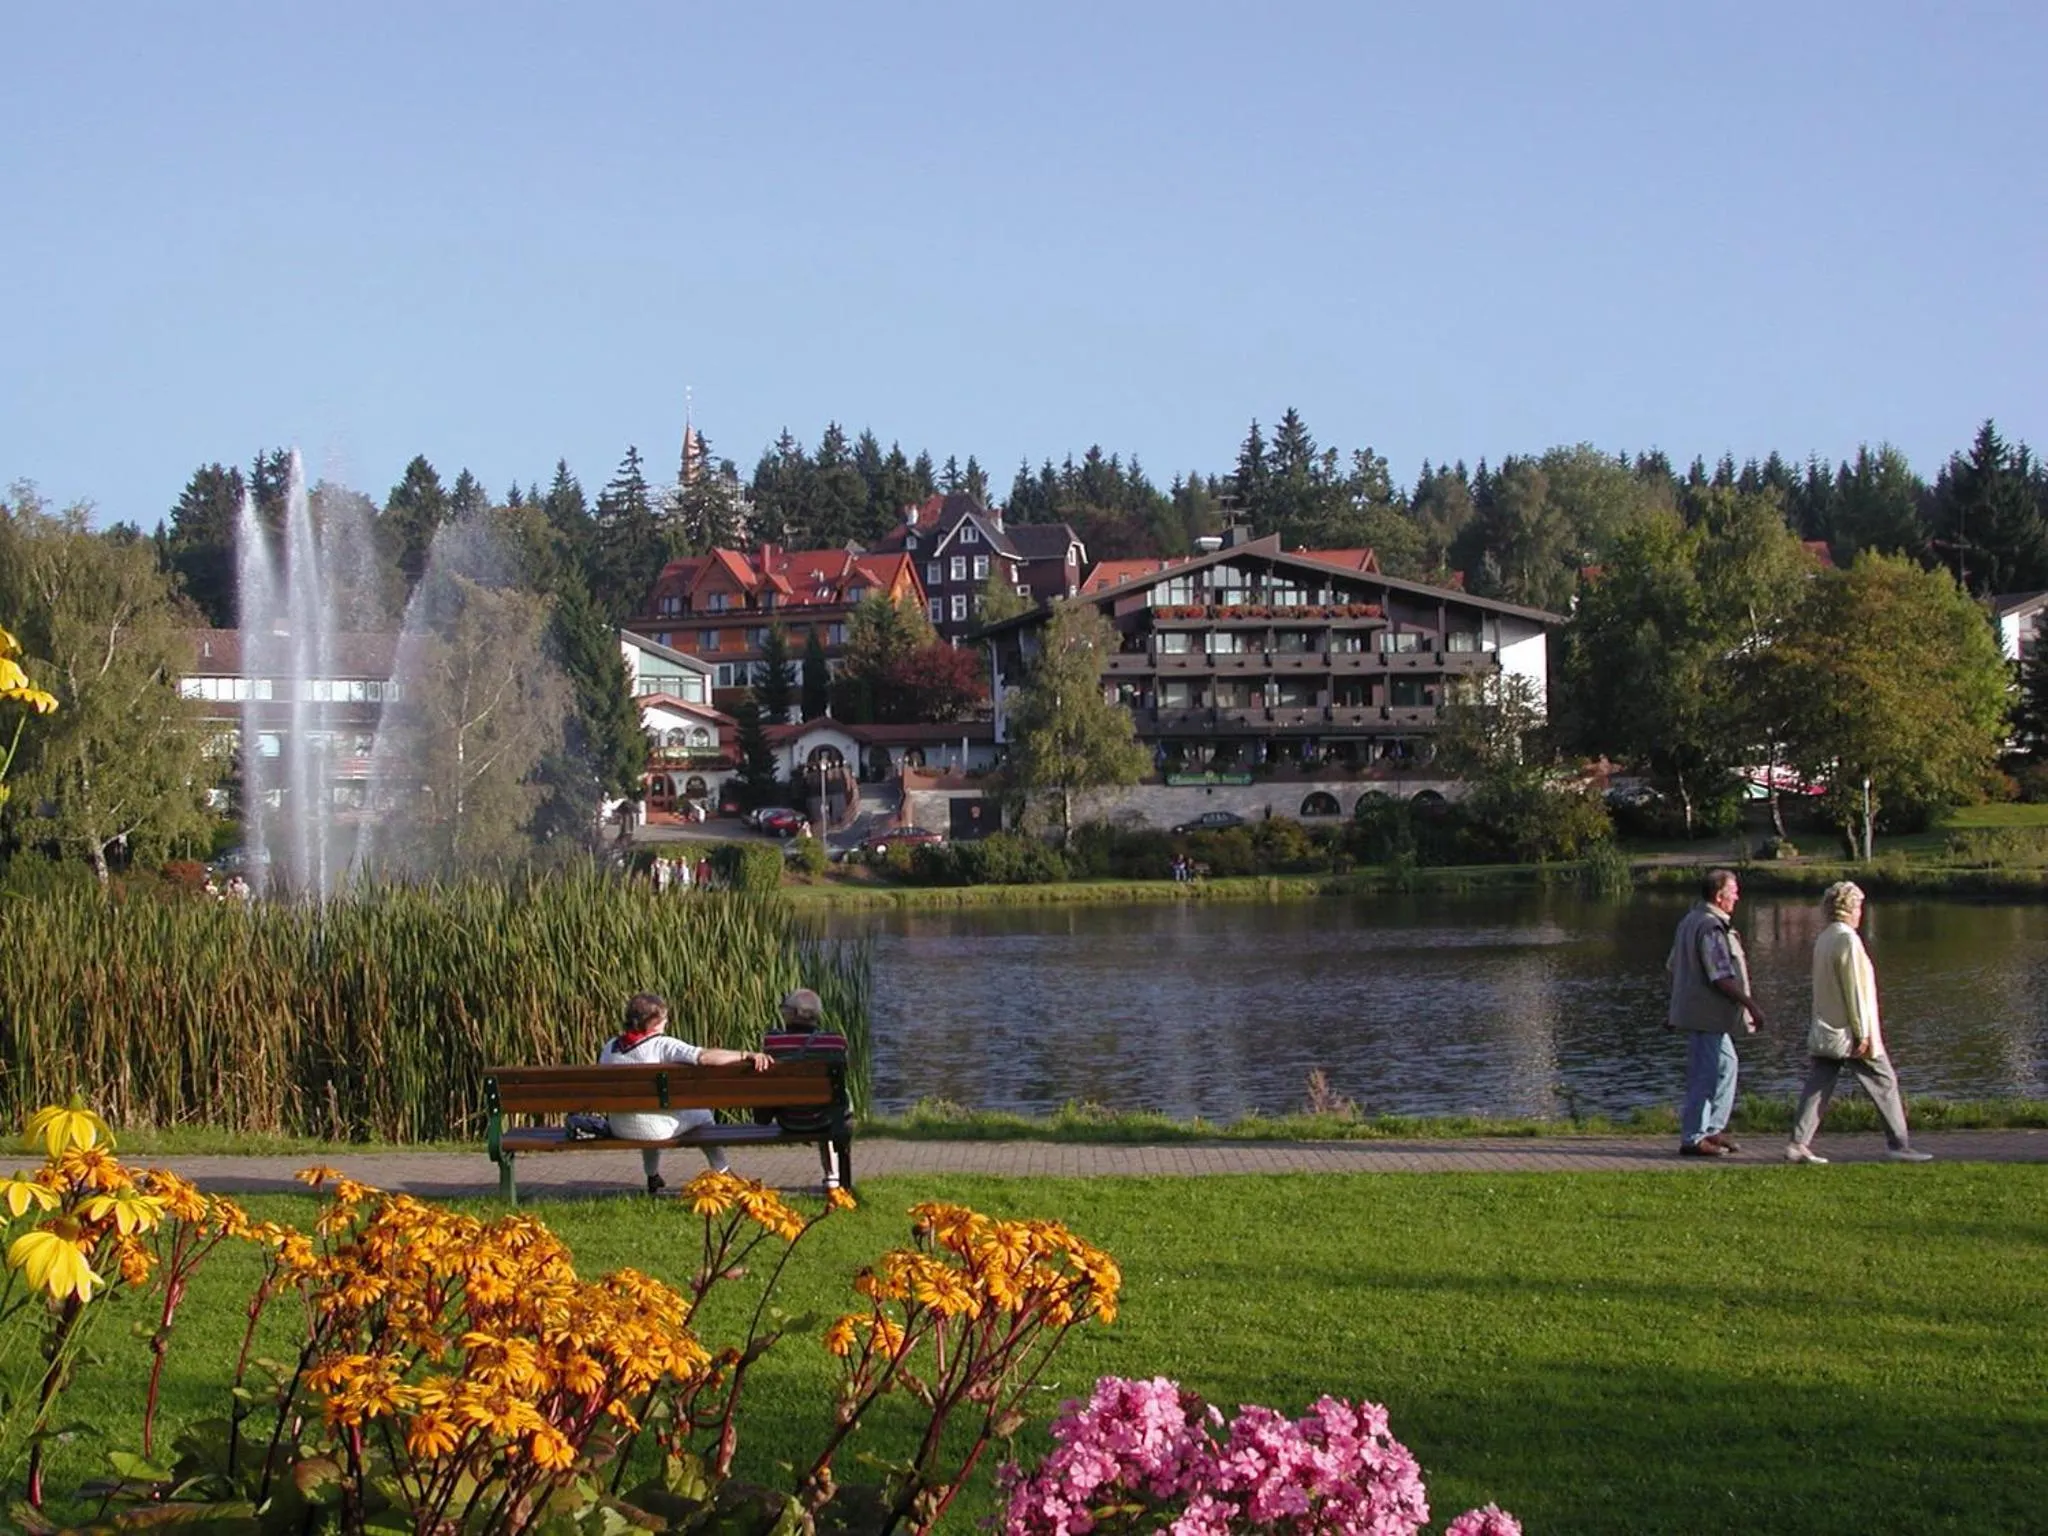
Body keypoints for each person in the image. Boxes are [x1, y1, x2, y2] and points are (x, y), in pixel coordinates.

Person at [1785, 882, 1934, 1165]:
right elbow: (1854, 990)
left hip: (1828, 1029)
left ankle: (1798, 1143)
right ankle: (1899, 1144)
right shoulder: (1847, 940)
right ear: (1850, 908)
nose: (1860, 913)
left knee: (1819, 1083)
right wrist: (1862, 1033)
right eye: (1859, 907)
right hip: (1850, 1032)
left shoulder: (1825, 937)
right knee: (1884, 1081)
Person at [599, 992, 772, 1194]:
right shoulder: (662, 1045)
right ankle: (723, 1171)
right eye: (664, 1018)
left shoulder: (610, 1046)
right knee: (704, 1116)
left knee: (647, 1112)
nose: (667, 1021)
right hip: (655, 1131)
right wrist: (745, 1054)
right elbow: (704, 1058)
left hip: (620, 1126)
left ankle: (652, 1175)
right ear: (654, 1022)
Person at [1666, 868, 1767, 1157]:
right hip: (1705, 1015)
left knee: (1727, 1066)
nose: (1737, 896)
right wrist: (1751, 1005)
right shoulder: (1710, 927)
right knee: (1706, 1075)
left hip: (1699, 1014)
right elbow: (1720, 976)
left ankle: (1712, 1129)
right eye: (1733, 891)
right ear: (1719, 896)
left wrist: (1675, 1007)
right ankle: (1694, 1137)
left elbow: (1673, 967)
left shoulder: (1690, 921)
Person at [759, 987, 852, 1192]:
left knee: (818, 1101)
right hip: (826, 1119)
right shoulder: (836, 1041)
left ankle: (831, 1175)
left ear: (792, 1014)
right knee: (834, 1098)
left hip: (790, 1120)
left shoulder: (772, 1042)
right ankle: (833, 1178)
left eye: (785, 1010)